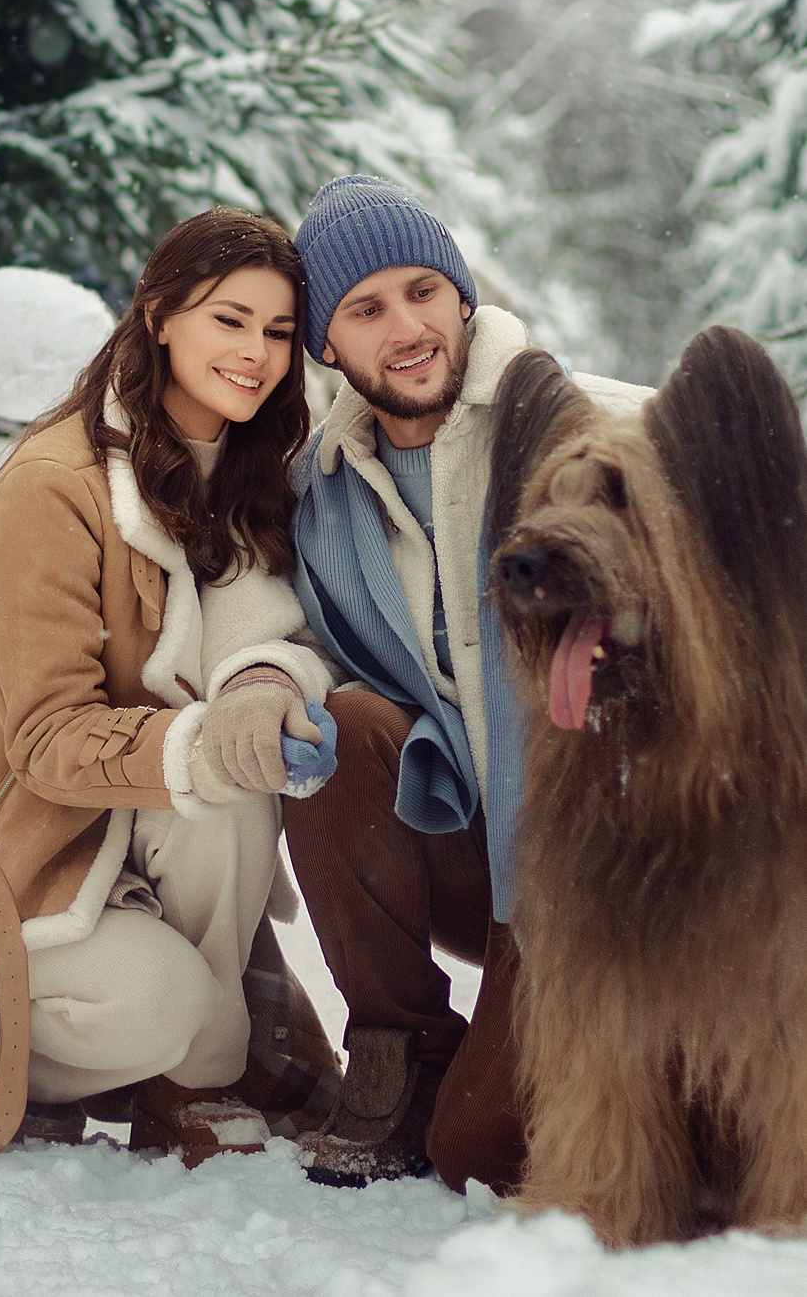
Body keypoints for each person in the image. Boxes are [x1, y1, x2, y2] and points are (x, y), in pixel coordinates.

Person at [0, 207, 341, 1164]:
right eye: (229, 320)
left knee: (230, 785)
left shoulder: (251, 470)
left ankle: (190, 1085)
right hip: (12, 845)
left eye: (276, 331)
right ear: (158, 316)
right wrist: (202, 745)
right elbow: (47, 741)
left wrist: (258, 699)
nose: (256, 354)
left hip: (132, 825)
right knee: (169, 1003)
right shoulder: (53, 485)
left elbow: (266, 631)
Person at [280, 174, 650, 1190]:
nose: (405, 326)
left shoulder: (593, 429)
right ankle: (403, 1048)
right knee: (333, 724)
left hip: (591, 867)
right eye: (366, 308)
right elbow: (308, 645)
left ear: (462, 297)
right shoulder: (324, 495)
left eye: (423, 292)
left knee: (481, 1151)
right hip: (462, 848)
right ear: (328, 346)